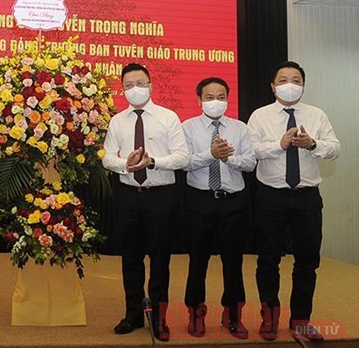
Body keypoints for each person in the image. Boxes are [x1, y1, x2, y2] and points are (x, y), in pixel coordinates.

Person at [247, 61, 340, 342]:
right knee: (267, 259)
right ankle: (270, 316)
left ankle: (301, 319)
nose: (290, 84)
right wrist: (280, 144)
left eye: (296, 79)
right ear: (273, 86)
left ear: (303, 85)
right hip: (270, 197)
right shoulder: (259, 116)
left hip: (307, 198)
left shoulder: (317, 115)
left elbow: (335, 149)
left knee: (307, 261)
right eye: (284, 79)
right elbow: (250, 152)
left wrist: (313, 144)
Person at [102, 63, 190, 341]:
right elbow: (106, 157)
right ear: (122, 90)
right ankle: (133, 314)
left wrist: (153, 162)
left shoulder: (168, 117)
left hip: (161, 196)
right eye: (129, 85)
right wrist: (123, 164)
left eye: (140, 83)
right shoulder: (117, 120)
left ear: (151, 86)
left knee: (160, 258)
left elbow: (183, 157)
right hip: (128, 196)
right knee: (131, 258)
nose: (135, 89)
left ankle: (159, 318)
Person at [181, 77, 255, 339]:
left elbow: (250, 163)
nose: (216, 101)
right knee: (197, 261)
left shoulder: (240, 128)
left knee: (233, 262)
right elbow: (185, 163)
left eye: (221, 96)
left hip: (233, 202)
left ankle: (233, 315)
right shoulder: (187, 127)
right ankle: (196, 312)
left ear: (228, 99)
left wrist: (229, 158)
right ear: (199, 99)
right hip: (199, 200)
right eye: (210, 97)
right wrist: (211, 154)